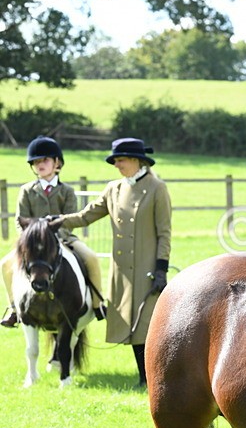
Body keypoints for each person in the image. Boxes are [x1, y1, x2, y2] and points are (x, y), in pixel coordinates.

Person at [50, 138, 171, 385]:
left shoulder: (157, 188)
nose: (116, 165)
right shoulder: (113, 189)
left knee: (146, 326)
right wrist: (60, 220)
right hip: (121, 271)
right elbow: (86, 216)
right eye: (115, 160)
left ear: (137, 160)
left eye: (121, 160)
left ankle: (149, 377)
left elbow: (164, 233)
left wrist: (161, 268)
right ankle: (144, 378)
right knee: (129, 324)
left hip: (146, 268)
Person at [2, 137, 107, 327]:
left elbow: (70, 219)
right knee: (4, 265)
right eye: (35, 161)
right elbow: (20, 221)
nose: (39, 164)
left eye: (44, 160)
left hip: (64, 239)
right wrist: (29, 240)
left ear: (57, 163)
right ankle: (14, 308)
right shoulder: (26, 191)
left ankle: (98, 304)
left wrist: (54, 240)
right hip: (33, 245)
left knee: (91, 257)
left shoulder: (67, 191)